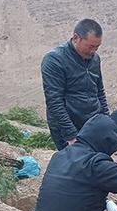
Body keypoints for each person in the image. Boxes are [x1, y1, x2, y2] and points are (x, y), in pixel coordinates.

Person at [41, 19, 110, 150]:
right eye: (90, 46)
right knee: (76, 166)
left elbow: (99, 92)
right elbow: (54, 101)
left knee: (97, 164)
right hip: (68, 126)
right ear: (76, 38)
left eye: (97, 47)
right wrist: (71, 135)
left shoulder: (95, 59)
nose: (93, 51)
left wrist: (107, 121)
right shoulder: (54, 60)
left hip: (92, 123)